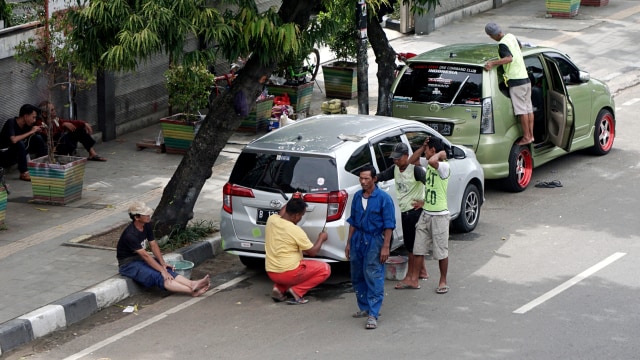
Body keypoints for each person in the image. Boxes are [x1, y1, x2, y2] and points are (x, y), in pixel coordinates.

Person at [116, 201, 211, 296]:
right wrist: (162, 271)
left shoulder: (146, 225)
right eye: (145, 215)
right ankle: (192, 291)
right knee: (161, 275)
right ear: (136, 217)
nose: (149, 216)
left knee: (167, 270)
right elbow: (145, 256)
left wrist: (163, 263)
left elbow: (153, 244)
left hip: (140, 259)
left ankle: (192, 284)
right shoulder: (130, 235)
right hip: (128, 264)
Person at [345, 164, 396, 330]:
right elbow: (352, 221)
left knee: (373, 275)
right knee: (357, 274)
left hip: (375, 240)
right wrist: (348, 243)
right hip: (358, 240)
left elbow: (389, 225)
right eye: (361, 178)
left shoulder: (384, 199)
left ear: (374, 179)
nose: (363, 181)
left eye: (367, 178)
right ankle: (364, 307)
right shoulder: (357, 197)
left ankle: (373, 314)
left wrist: (385, 247)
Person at [376, 142, 428, 290]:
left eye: (399, 158)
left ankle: (412, 278)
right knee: (412, 244)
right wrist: (370, 178)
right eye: (394, 158)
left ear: (406, 156)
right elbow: (382, 175)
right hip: (405, 212)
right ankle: (422, 272)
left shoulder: (416, 170)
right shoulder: (395, 169)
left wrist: (424, 202)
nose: (396, 161)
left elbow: (431, 186)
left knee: (412, 249)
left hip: (415, 213)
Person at [265, 197, 331, 305]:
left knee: (288, 267)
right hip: (288, 274)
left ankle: (278, 289)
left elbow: (283, 211)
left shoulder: (272, 219)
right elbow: (313, 252)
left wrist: (294, 198)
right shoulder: (295, 230)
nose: (301, 218)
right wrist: (321, 238)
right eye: (301, 215)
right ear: (296, 215)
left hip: (271, 272)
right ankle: (297, 292)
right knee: (325, 269)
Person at [484, 22, 535, 145]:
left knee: (522, 111)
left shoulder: (502, 44)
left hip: (516, 81)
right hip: (525, 79)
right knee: (528, 109)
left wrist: (492, 63)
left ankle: (527, 136)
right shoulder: (511, 36)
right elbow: (520, 46)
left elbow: (509, 58)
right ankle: (531, 135)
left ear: (492, 35)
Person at [412, 137, 451, 294]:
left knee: (441, 251)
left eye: (428, 150)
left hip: (440, 216)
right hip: (426, 213)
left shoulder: (444, 166)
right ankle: (414, 278)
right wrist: (422, 148)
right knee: (418, 248)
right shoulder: (429, 162)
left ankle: (443, 280)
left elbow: (433, 162)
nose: (425, 153)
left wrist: (441, 153)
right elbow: (411, 160)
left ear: (433, 151)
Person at [38, 101, 107, 161]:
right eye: (52, 110)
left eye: (54, 109)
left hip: (61, 143)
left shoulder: (55, 119)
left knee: (78, 130)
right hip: (54, 148)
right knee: (63, 136)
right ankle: (68, 156)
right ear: (44, 114)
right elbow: (50, 135)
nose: (54, 111)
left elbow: (69, 122)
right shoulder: (40, 123)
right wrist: (63, 125)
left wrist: (83, 123)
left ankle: (92, 154)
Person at [0, 104, 47, 181]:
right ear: (25, 116)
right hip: (5, 155)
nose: (34, 120)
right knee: (19, 143)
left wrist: (35, 131)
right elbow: (14, 140)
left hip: (17, 155)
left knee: (37, 138)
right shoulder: (11, 122)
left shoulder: (26, 125)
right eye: (33, 117)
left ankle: (43, 165)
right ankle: (24, 173)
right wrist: (31, 131)